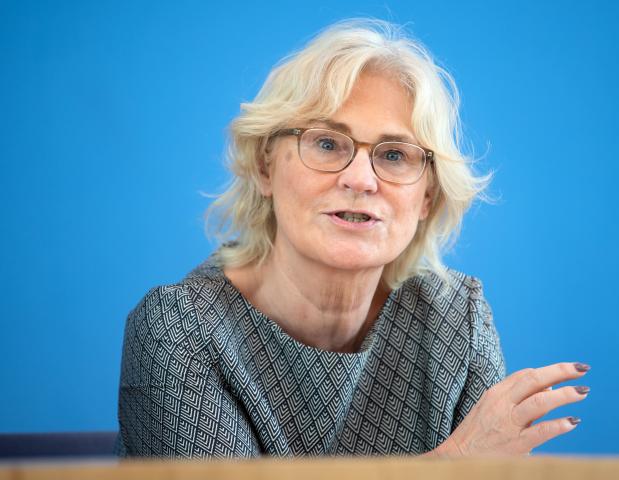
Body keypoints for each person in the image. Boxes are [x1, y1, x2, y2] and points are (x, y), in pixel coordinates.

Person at [116, 18, 590, 458]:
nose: (361, 179)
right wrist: (452, 464)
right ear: (264, 167)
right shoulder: (177, 329)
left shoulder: (455, 320)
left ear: (427, 196)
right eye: (327, 143)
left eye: (395, 155)